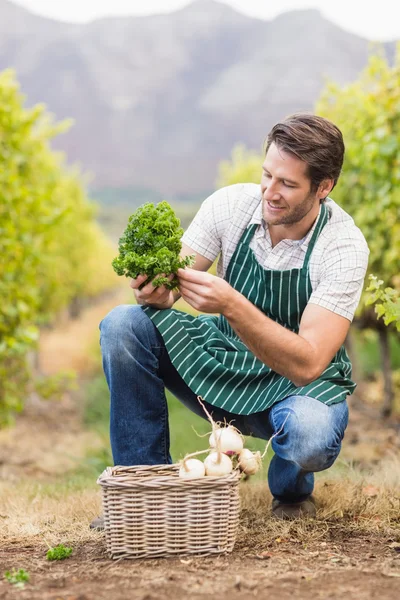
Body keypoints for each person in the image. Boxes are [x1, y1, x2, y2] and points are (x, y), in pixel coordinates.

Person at [90, 113, 369, 530]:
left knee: (309, 435)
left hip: (297, 383)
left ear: (324, 187)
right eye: (267, 175)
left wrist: (233, 304)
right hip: (225, 359)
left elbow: (309, 363)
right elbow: (170, 286)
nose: (269, 192)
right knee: (123, 326)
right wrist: (153, 288)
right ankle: (143, 488)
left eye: (288, 184)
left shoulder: (343, 246)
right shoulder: (229, 207)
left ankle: (291, 489)